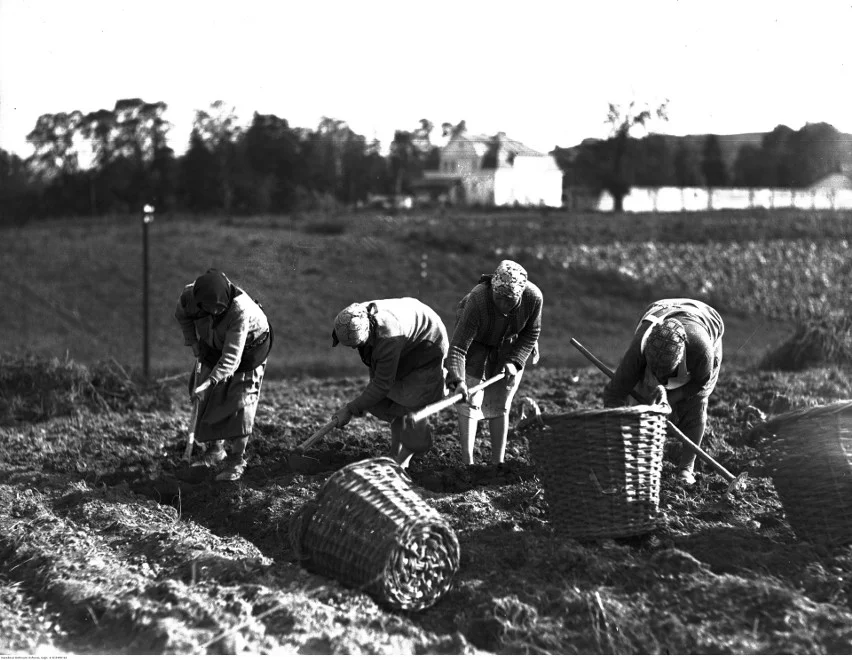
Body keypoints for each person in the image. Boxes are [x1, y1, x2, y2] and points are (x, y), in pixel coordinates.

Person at [603, 298, 725, 485]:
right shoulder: (637, 352)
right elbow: (614, 394)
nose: (661, 379)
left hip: (706, 319)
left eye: (666, 374)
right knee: (640, 399)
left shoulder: (702, 353)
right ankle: (636, 454)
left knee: (695, 404)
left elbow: (698, 385)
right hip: (662, 309)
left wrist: (670, 400)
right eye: (655, 372)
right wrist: (616, 435)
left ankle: (686, 468)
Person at [174, 269, 273, 481]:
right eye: (211, 310)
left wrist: (210, 381)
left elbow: (231, 358)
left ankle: (236, 460)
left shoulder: (239, 310)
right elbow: (182, 315)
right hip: (213, 342)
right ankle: (215, 450)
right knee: (203, 396)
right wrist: (192, 341)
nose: (216, 313)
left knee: (240, 401)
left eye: (220, 309)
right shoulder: (190, 297)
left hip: (248, 350)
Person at [445, 259, 543, 466]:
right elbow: (459, 347)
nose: (503, 304)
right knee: (470, 399)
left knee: (501, 401)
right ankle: (467, 463)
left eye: (510, 300)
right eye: (499, 298)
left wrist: (515, 360)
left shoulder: (533, 298)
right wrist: (458, 380)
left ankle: (498, 462)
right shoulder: (477, 300)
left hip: (511, 343)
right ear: (492, 289)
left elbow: (531, 333)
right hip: (477, 343)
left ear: (520, 294)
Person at [331, 297, 449, 469]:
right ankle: (395, 453)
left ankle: (402, 462)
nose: (353, 349)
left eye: (356, 345)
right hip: (407, 334)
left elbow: (381, 384)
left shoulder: (388, 338)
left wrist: (350, 409)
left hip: (427, 342)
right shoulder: (352, 316)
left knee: (411, 403)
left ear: (368, 334)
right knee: (394, 402)